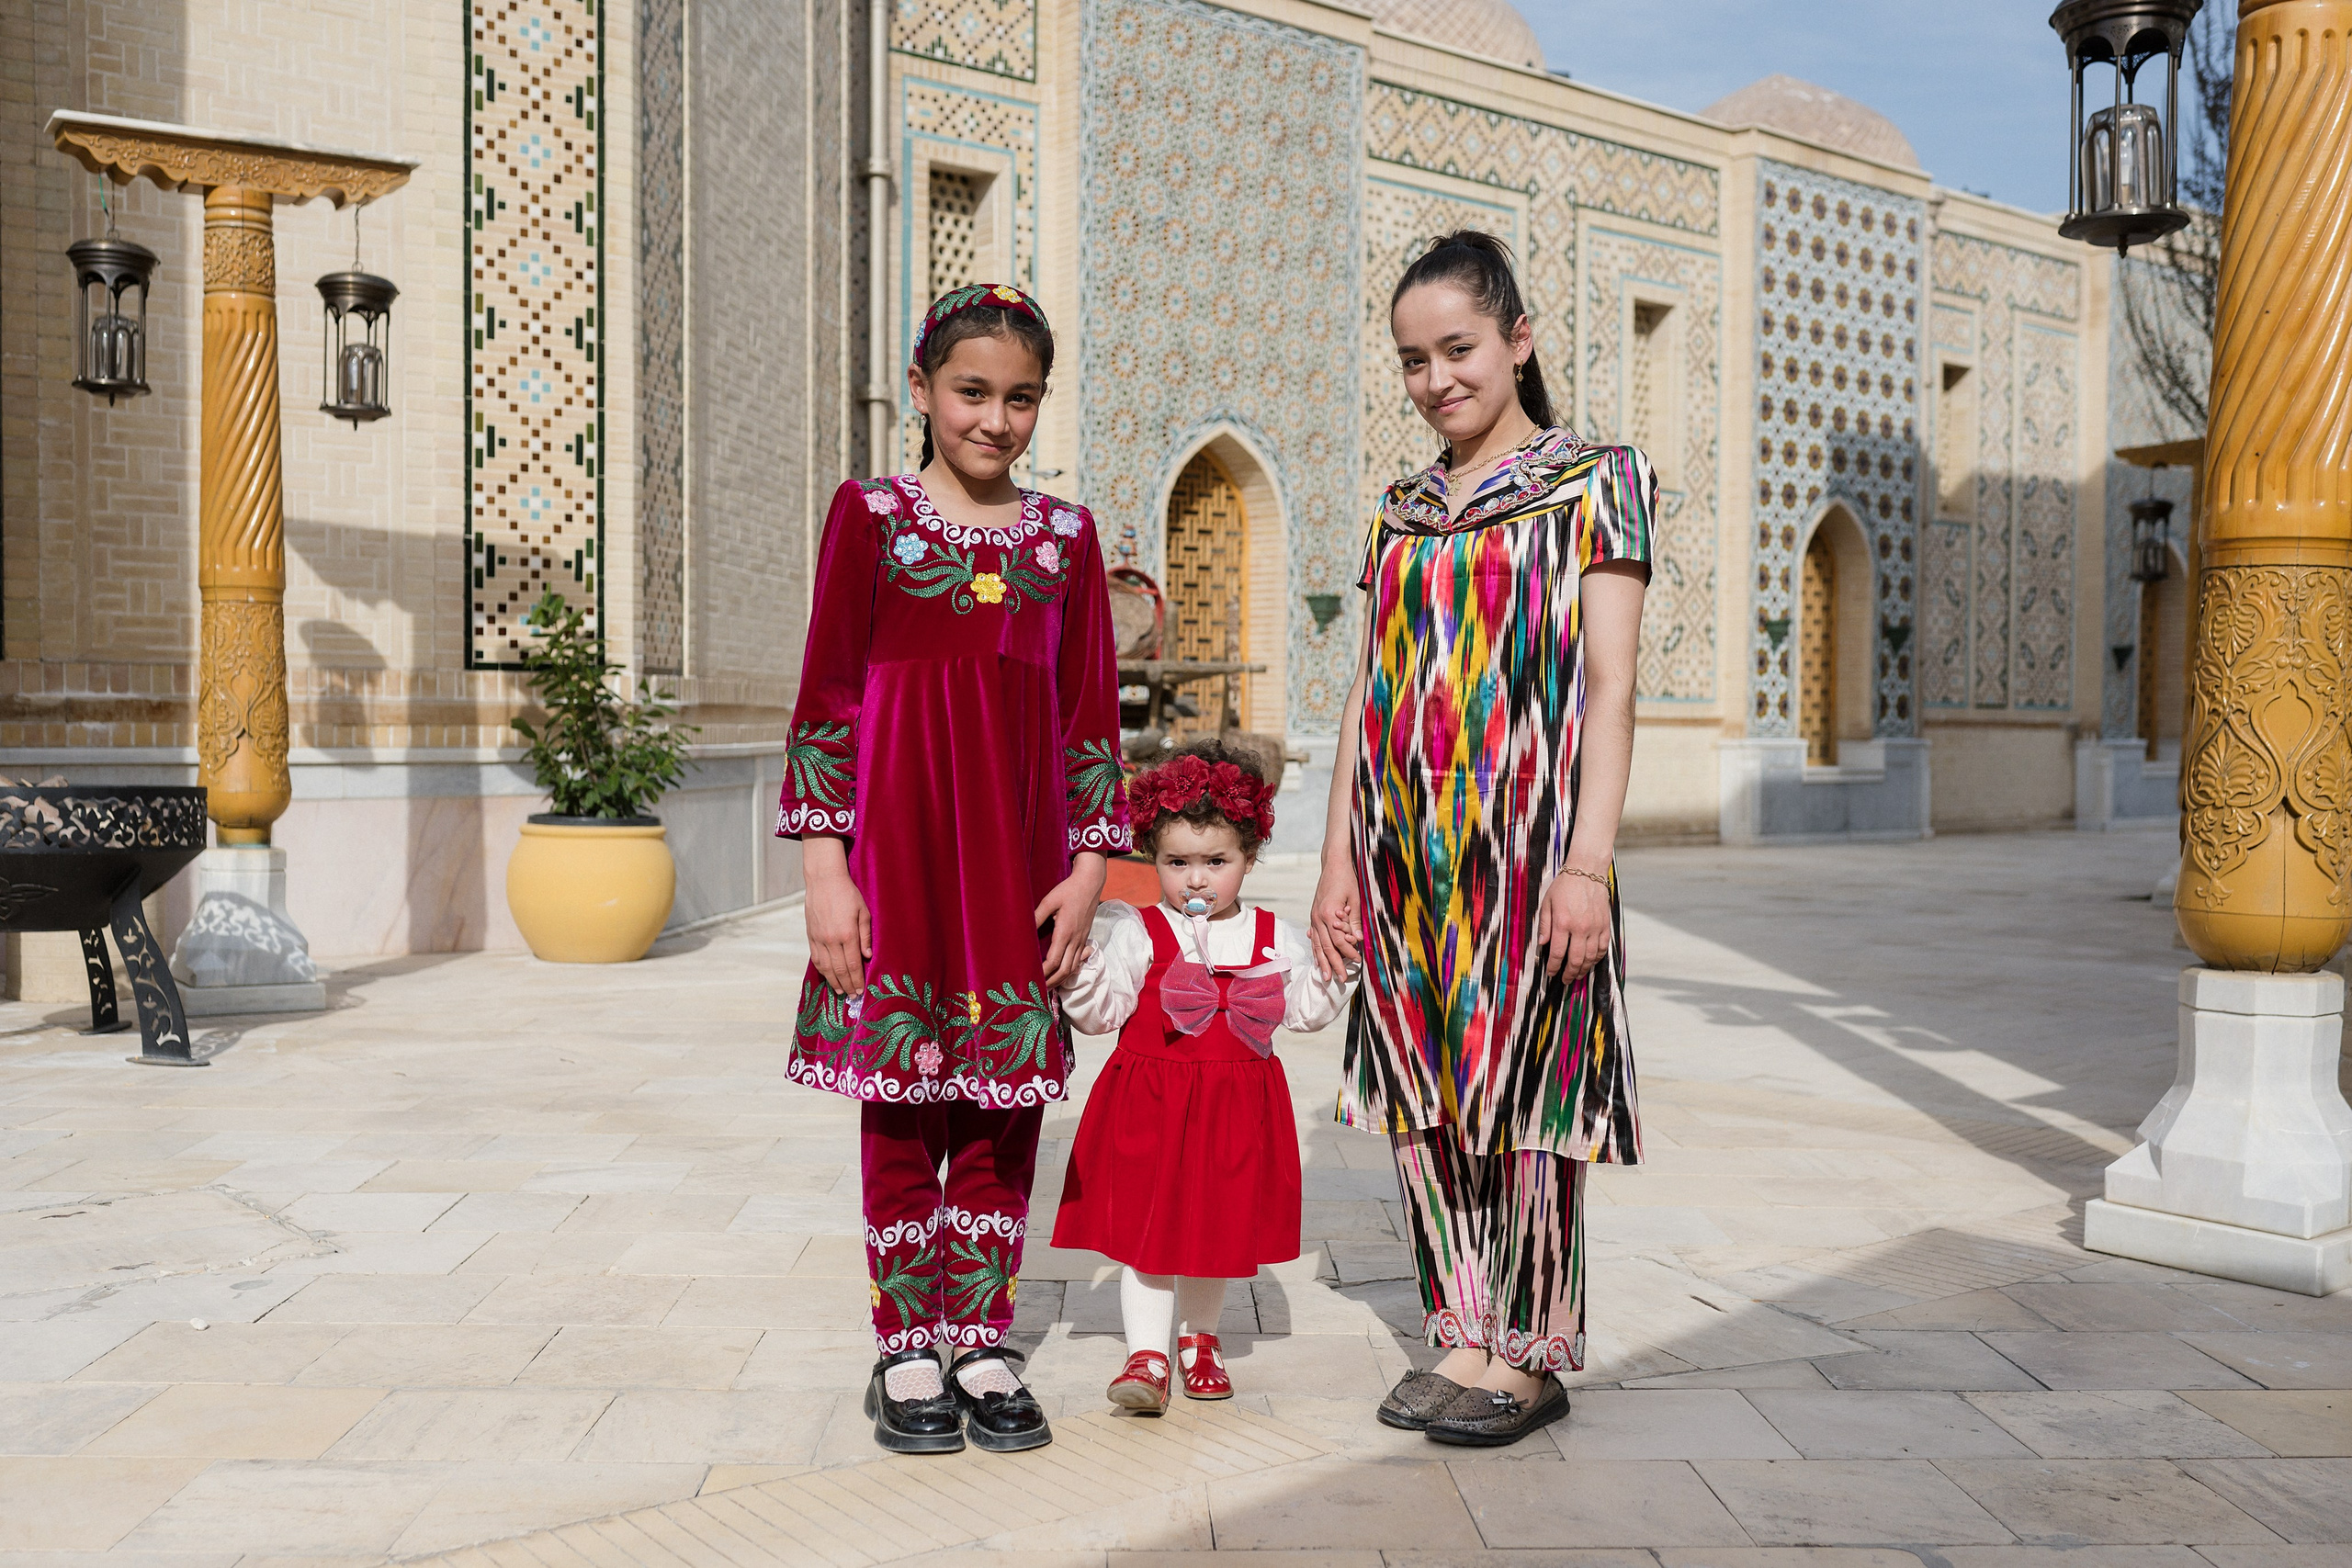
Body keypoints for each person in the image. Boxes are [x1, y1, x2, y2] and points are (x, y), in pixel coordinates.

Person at [1308, 231, 1652, 1448]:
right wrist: (1336, 859)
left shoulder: (1594, 479)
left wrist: (1587, 864)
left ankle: (1532, 1347)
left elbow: (1609, 686)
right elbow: (1367, 687)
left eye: (1458, 347)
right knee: (1424, 1091)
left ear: (1519, 338)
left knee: (1527, 1092)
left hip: (1529, 843)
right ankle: (1461, 1324)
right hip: (1407, 850)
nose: (1436, 377)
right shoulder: (1401, 509)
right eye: (1412, 359)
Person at [777, 281, 1127, 1456]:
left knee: (1000, 1105)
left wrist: (1087, 873)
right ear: (921, 391)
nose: (996, 419)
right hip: (893, 860)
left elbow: (1090, 724)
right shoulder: (869, 516)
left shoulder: (1064, 539)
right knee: (903, 1101)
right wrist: (828, 874)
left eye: (1020, 398)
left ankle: (979, 1334)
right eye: (972, 392)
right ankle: (903, 1345)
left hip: (1017, 870)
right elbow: (825, 699)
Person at [1053, 740, 1354, 1414]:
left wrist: (1340, 969)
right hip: (1152, 1104)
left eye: (1216, 862)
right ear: (1153, 858)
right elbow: (1102, 1014)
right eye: (1176, 861)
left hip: (1234, 1109)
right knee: (1149, 1232)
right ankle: (1146, 1353)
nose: (1195, 879)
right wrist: (1081, 969)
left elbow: (1303, 1009)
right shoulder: (1136, 928)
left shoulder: (1275, 936)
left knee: (1214, 1232)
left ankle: (1201, 1340)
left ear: (1249, 857)